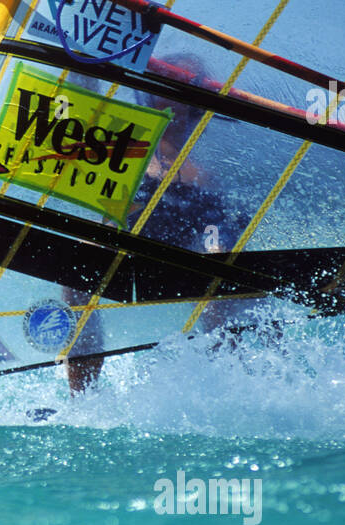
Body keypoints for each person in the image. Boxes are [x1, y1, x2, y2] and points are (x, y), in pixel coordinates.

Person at [64, 53, 251, 394]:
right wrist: (83, 56)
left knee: (223, 267)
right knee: (79, 261)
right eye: (166, 91)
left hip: (194, 227)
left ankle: (231, 380)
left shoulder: (202, 168)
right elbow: (83, 106)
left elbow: (216, 229)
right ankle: (81, 397)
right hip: (134, 225)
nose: (173, 107)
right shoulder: (123, 141)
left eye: (182, 96)